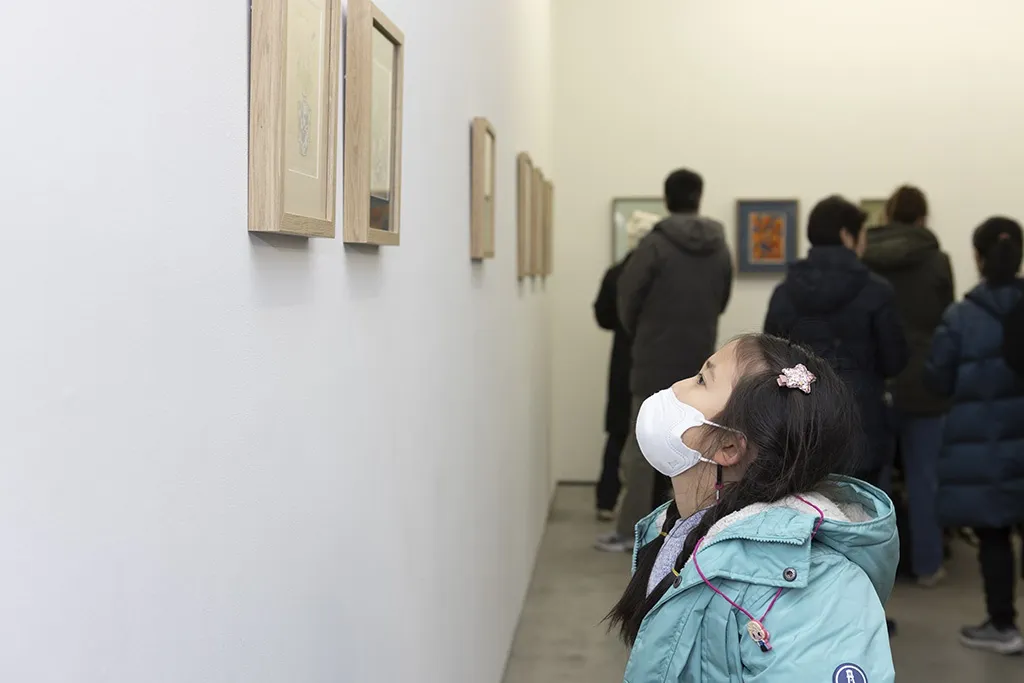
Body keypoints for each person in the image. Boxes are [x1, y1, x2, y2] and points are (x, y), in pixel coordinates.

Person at [608, 334, 897, 682]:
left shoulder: (820, 593)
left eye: (702, 379)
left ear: (729, 446)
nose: (676, 387)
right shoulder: (677, 531)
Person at [595, 169, 733, 552]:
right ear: (699, 197)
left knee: (641, 449)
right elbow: (721, 299)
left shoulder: (653, 246)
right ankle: (694, 531)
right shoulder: (720, 248)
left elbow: (627, 303)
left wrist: (646, 334)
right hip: (699, 365)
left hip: (652, 361)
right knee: (698, 449)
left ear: (667, 198)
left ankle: (631, 532)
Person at [925, 218, 1024, 655]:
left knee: (994, 535)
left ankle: (1003, 626)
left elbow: (937, 379)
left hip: (986, 445)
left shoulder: (962, 317)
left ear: (978, 258)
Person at [764, 195, 909, 485]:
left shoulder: (785, 292)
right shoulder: (876, 291)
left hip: (801, 426)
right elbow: (895, 361)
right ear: (846, 235)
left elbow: (770, 359)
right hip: (862, 423)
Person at [862, 185, 953, 586]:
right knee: (924, 480)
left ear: (887, 215)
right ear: (922, 218)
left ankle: (877, 570)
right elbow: (944, 321)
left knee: (874, 485)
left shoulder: (865, 258)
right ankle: (929, 565)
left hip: (877, 379)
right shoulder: (937, 260)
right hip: (925, 381)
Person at [593, 254, 634, 520]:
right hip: (664, 360)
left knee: (618, 432)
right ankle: (659, 504)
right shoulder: (672, 273)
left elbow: (603, 316)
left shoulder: (619, 272)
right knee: (665, 432)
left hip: (624, 357)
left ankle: (606, 500)